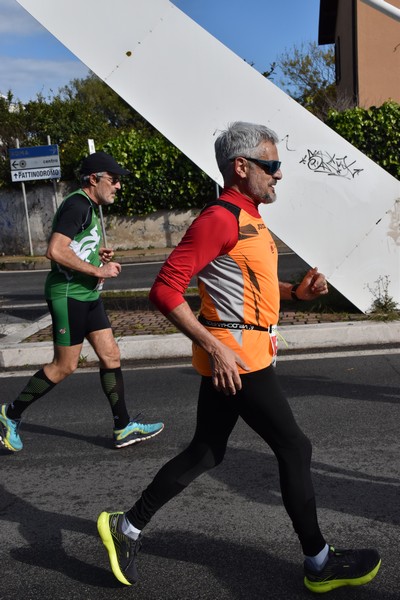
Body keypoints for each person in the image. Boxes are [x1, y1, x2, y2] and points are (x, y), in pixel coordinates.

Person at [96, 123, 381, 593]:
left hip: (242, 353)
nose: (279, 175)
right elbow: (165, 289)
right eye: (271, 166)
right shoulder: (221, 217)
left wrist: (297, 293)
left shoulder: (249, 217)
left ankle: (126, 527)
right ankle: (319, 562)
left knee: (207, 450)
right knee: (295, 447)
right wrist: (214, 347)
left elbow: (248, 290)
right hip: (239, 361)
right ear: (241, 166)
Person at [0, 151, 164, 452]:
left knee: (111, 355)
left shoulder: (87, 206)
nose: (118, 186)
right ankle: (10, 413)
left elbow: (72, 247)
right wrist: (98, 270)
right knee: (65, 366)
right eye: (113, 180)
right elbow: (56, 250)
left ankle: (122, 426)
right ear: (94, 179)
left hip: (87, 296)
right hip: (68, 295)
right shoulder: (77, 205)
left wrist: (93, 254)